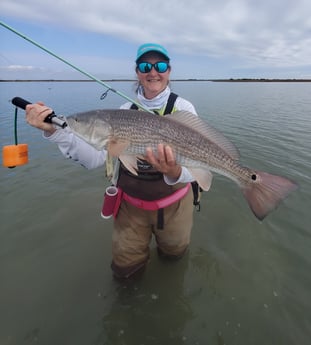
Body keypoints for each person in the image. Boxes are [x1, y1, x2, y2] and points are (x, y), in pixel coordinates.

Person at [25, 43, 198, 279]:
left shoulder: (183, 108)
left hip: (175, 206)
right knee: (125, 272)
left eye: (161, 65)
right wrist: (56, 132)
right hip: (130, 208)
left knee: (174, 258)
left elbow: (197, 165)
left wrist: (175, 171)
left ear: (169, 71)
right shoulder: (124, 109)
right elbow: (96, 158)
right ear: (137, 72)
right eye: (146, 66)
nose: (153, 72)